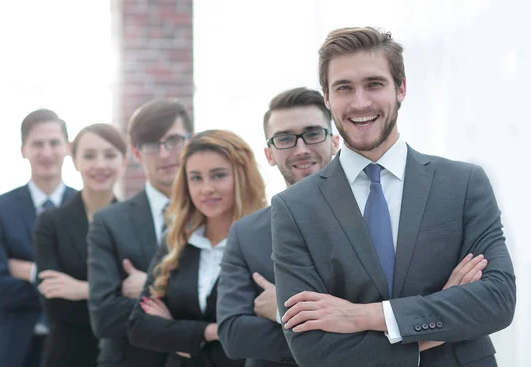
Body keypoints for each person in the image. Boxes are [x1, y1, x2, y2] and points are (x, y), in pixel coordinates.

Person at [271, 26, 516, 367]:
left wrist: (364, 316)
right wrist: (444, 318)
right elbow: (311, 349)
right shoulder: (294, 208)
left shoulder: (463, 184)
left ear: (401, 88)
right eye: (344, 88)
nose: (360, 103)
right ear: (327, 98)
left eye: (374, 84)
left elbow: (496, 301)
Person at [217, 87, 338, 367]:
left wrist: (282, 311)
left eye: (313, 134)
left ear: (334, 141)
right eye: (285, 138)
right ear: (269, 154)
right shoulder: (245, 233)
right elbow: (234, 334)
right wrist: (344, 329)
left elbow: (385, 315)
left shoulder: (372, 217)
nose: (301, 149)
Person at [128, 129, 267, 367]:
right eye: (196, 178)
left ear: (242, 177)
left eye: (218, 175)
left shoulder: (268, 243)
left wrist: (178, 336)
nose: (206, 188)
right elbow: (139, 327)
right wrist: (210, 332)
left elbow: (266, 337)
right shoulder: (174, 242)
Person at [87, 99, 193, 366]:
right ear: (136, 153)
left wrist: (151, 285)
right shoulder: (109, 222)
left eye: (174, 140)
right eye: (151, 145)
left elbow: (229, 308)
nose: (165, 153)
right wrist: (191, 313)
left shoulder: (216, 214)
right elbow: (105, 317)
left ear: (189, 142)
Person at [0, 109, 77, 367]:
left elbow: (93, 287)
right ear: (23, 150)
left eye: (54, 143)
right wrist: (62, 284)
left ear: (68, 148)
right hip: (6, 348)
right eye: (37, 144)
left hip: (70, 348)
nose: (47, 152)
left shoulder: (84, 208)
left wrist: (29, 272)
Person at [33, 123, 128, 367]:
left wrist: (83, 290)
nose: (100, 165)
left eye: (110, 155)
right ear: (74, 160)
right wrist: (120, 292)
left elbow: (147, 303)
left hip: (127, 355)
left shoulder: (136, 223)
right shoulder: (51, 222)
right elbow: (54, 303)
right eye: (89, 155)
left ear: (124, 161)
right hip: (67, 355)